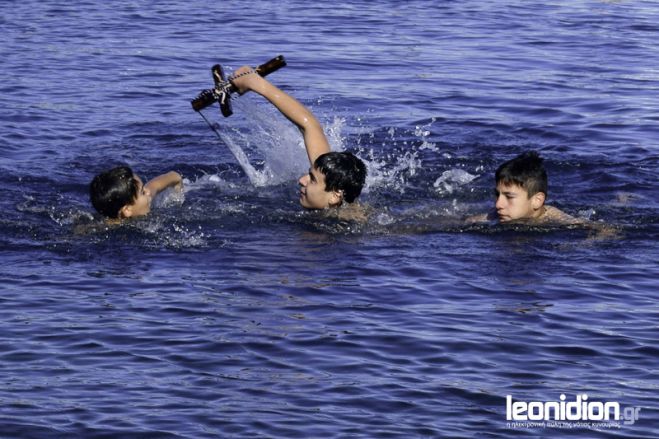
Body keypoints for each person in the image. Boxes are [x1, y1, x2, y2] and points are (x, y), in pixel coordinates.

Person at [230, 66, 367, 215]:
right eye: (309, 174)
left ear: (335, 197)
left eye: (312, 179)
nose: (301, 180)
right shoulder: (328, 176)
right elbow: (309, 125)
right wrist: (255, 83)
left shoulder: (346, 227)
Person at [467, 151, 581, 224]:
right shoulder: (493, 216)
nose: (498, 205)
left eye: (509, 197)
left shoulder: (555, 219)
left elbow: (597, 229)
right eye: (497, 195)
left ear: (537, 201)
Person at [89, 165, 182, 222]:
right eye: (142, 192)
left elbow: (174, 176)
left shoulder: (144, 197)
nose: (148, 191)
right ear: (127, 210)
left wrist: (178, 196)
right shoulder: (101, 229)